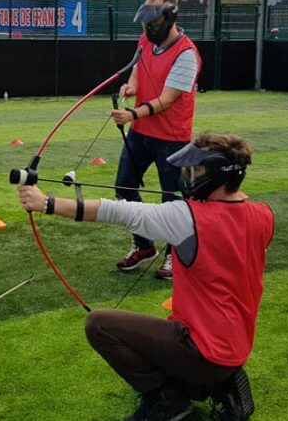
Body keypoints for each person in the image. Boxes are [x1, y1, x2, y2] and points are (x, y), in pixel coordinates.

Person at [17, 132, 273, 421]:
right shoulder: (264, 215)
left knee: (99, 325)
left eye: (195, 170)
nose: (187, 177)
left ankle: (171, 403)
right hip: (235, 348)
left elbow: (119, 211)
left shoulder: (187, 217)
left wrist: (46, 203)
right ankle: (212, 382)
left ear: (219, 175)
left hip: (204, 353)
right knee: (158, 335)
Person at [110, 0, 201, 280]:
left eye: (154, 20)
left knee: (173, 200)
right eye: (146, 21)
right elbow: (139, 69)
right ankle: (143, 245)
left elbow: (167, 99)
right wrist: (131, 87)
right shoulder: (145, 42)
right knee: (124, 188)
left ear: (170, 17)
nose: (149, 27)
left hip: (172, 138)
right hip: (141, 134)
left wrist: (132, 114)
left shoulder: (187, 53)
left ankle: (174, 256)